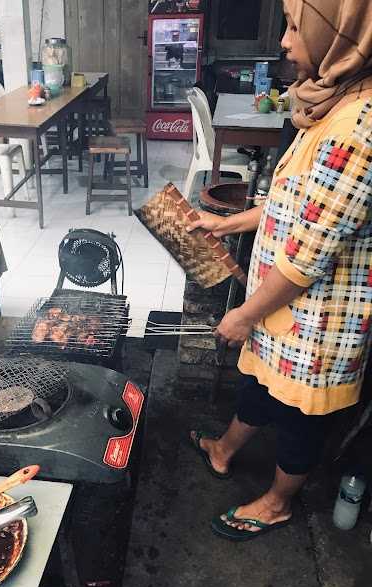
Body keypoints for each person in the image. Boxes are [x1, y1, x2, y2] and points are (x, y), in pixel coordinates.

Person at [187, 0, 372, 541]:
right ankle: (223, 450)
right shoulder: (333, 104)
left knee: (299, 421)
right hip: (284, 307)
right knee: (260, 387)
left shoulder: (359, 129)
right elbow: (294, 204)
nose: (287, 43)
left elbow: (310, 253)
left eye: (297, 27)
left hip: (319, 322)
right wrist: (228, 225)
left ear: (342, 37)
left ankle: (276, 503)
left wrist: (243, 314)